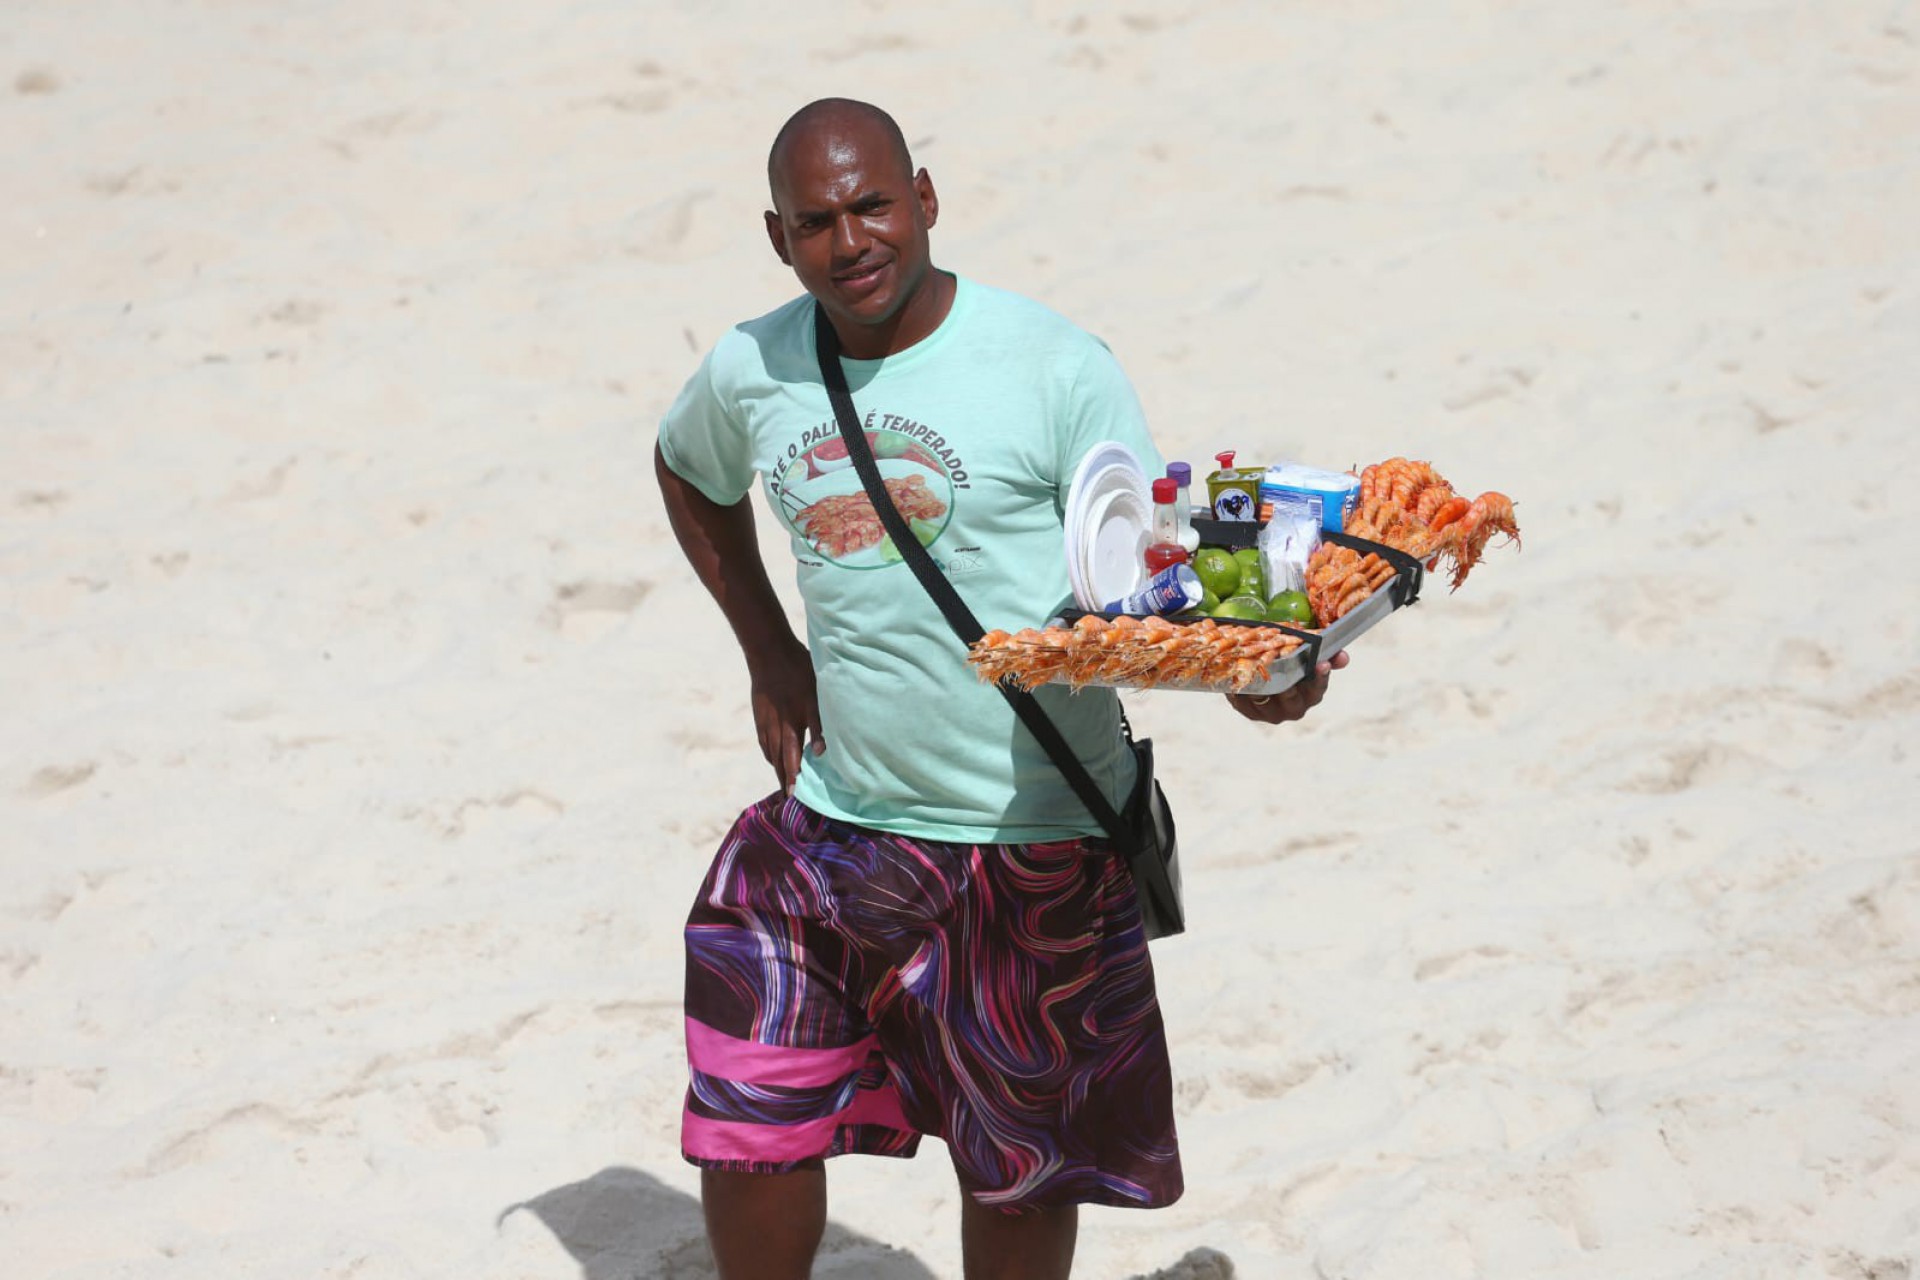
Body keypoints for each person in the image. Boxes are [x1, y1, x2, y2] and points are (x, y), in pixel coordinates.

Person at [653, 98, 1347, 1280]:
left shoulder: (1055, 367)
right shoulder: (751, 366)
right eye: (817, 221)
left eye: (874, 204)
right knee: (749, 1119)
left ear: (925, 198)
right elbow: (685, 468)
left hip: (1029, 842)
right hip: (831, 828)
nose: (852, 240)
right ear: (779, 238)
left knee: (1019, 1172)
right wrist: (769, 647)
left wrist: (1252, 678)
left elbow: (1146, 584)